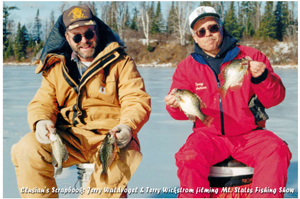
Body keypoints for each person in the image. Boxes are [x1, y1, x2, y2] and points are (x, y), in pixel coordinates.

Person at [11, 5, 151, 198]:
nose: (84, 41)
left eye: (88, 34)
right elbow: (43, 102)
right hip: (70, 137)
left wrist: (127, 126)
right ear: (67, 38)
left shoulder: (121, 62)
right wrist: (41, 121)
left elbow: (136, 99)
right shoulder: (56, 67)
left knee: (116, 171)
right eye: (76, 37)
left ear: (96, 32)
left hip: (111, 139)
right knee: (27, 148)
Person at [164, 6, 291, 198]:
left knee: (277, 150)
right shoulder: (185, 68)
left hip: (250, 134)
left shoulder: (251, 56)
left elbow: (275, 98)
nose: (208, 34)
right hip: (208, 136)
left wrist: (262, 77)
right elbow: (178, 113)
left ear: (221, 28)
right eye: (201, 31)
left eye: (213, 27)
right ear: (195, 37)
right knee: (189, 157)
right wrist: (173, 105)